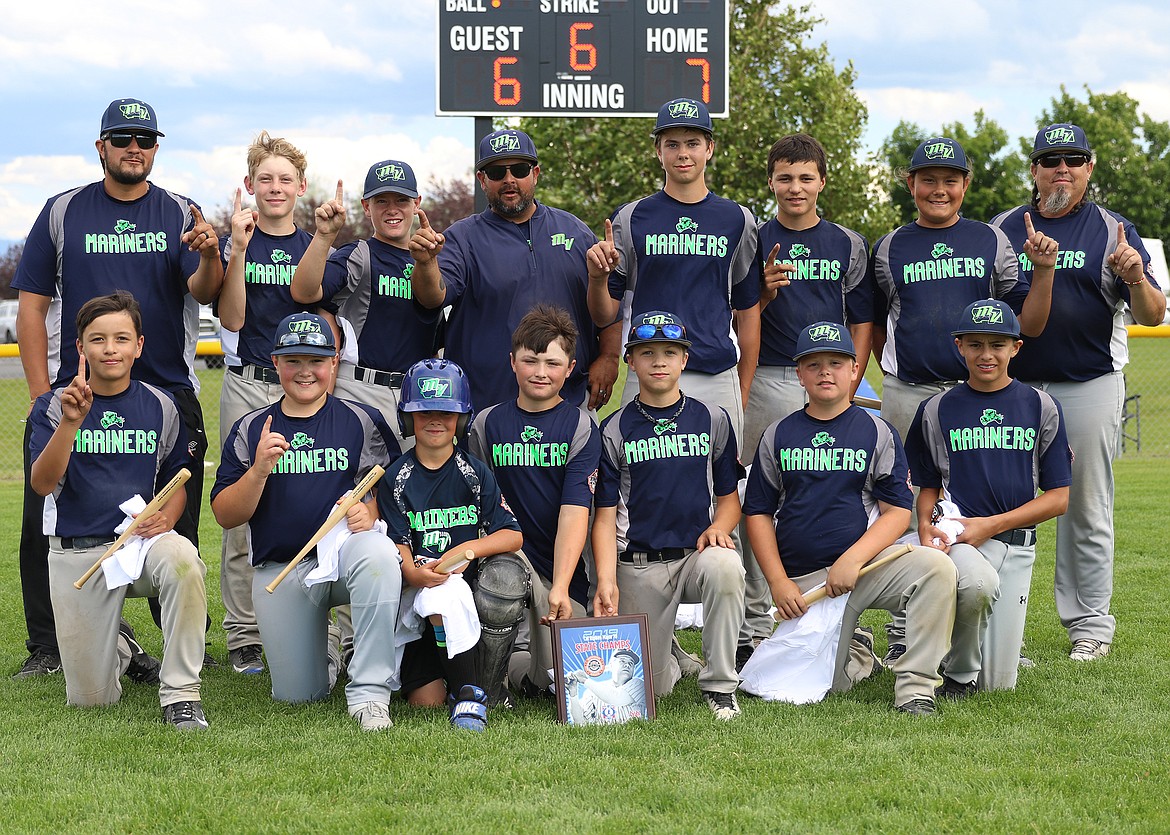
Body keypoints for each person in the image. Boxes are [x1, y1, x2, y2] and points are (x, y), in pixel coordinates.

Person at [12, 97, 222, 678]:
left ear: (157, 148)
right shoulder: (62, 211)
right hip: (77, 392)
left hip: (164, 391)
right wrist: (39, 394)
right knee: (48, 516)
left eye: (146, 139)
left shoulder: (181, 211)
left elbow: (206, 292)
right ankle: (48, 645)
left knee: (172, 523)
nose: (135, 147)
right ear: (100, 146)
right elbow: (33, 304)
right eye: (123, 137)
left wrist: (209, 255)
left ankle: (185, 638)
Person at [990, 123, 1166, 660]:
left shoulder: (1114, 229)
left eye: (1074, 159)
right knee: (1003, 505)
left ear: (1089, 168)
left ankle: (1089, 624)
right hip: (1012, 387)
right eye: (1050, 160)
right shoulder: (1003, 228)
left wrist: (1135, 277)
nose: (1061, 168)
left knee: (1086, 508)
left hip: (1089, 382)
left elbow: (1153, 314)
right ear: (1035, 170)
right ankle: (1000, 627)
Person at [743, 321, 956, 716]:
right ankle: (856, 648)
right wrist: (778, 582)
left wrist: (854, 559)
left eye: (837, 363)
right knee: (820, 686)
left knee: (936, 568)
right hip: (808, 584)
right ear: (800, 374)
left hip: (866, 569)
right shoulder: (777, 434)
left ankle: (916, 688)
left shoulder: (878, 432)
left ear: (855, 370)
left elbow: (896, 513)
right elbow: (757, 512)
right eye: (815, 364)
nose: (826, 371)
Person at [210, 313, 404, 731]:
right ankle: (328, 653)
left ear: (334, 363)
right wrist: (259, 469)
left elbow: (398, 489)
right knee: (299, 697)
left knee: (378, 555)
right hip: (283, 567)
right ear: (276, 363)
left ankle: (370, 693)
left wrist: (370, 510)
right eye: (293, 360)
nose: (305, 371)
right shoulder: (251, 427)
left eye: (316, 360)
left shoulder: (362, 420)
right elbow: (226, 514)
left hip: (345, 559)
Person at [28, 292, 209, 729]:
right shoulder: (53, 406)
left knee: (183, 558)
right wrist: (72, 422)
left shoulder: (161, 404)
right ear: (80, 348)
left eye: (121, 338)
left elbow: (176, 480)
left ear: (139, 346)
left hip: (141, 545)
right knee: (92, 701)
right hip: (78, 550)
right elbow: (42, 483)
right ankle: (123, 646)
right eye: (98, 339)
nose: (110, 349)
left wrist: (166, 516)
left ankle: (181, 694)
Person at [737, 133, 874, 668]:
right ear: (770, 181)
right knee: (761, 499)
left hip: (834, 377)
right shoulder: (752, 237)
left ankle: (845, 622)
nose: (795, 187)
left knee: (842, 495)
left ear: (822, 181)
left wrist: (855, 374)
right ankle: (755, 621)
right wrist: (764, 293)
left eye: (805, 177)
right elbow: (736, 314)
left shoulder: (846, 242)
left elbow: (863, 318)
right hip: (771, 374)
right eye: (785, 177)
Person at [905, 299, 1072, 692]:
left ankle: (964, 654)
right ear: (959, 345)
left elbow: (1059, 497)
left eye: (997, 344)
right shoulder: (936, 408)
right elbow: (928, 487)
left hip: (1015, 542)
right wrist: (926, 529)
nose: (986, 354)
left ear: (1016, 348)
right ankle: (958, 674)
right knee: (976, 586)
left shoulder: (1040, 405)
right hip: (960, 536)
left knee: (998, 685)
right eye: (975, 344)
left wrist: (992, 525)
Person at [593, 311, 746, 720]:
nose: (658, 361)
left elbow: (730, 499)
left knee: (726, 565)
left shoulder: (711, 419)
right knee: (649, 689)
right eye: (647, 352)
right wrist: (606, 580)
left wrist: (719, 527)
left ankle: (719, 686)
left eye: (669, 352)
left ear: (684, 359)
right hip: (639, 564)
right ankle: (673, 654)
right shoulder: (613, 428)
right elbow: (605, 518)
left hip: (696, 556)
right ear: (631, 361)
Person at [410, 128, 620, 413]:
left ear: (535, 173)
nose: (509, 180)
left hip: (568, 402)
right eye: (497, 173)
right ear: (482, 180)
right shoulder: (463, 237)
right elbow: (432, 297)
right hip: (488, 405)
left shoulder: (574, 230)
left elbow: (607, 306)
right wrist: (425, 264)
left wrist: (608, 355)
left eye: (519, 169)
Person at [586, 97, 761, 435]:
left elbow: (748, 309)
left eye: (693, 143)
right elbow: (604, 314)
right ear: (658, 150)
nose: (683, 153)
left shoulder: (737, 219)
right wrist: (597, 280)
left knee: (718, 486)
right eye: (673, 144)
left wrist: (742, 387)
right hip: (648, 372)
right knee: (640, 484)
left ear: (709, 148)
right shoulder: (632, 217)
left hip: (715, 375)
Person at [869, 136, 1057, 444]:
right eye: (928, 180)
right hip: (908, 393)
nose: (940, 190)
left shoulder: (991, 239)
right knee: (907, 489)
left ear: (965, 184)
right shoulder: (888, 247)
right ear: (911, 182)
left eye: (950, 180)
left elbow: (1030, 325)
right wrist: (900, 375)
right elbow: (877, 326)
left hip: (979, 391)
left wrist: (1044, 269)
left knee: (976, 487)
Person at [215, 131, 319, 676]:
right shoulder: (238, 239)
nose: (275, 187)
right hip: (250, 381)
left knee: (310, 499)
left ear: (300, 187)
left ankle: (316, 621)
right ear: (249, 185)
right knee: (242, 509)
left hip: (303, 385)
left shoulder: (312, 247)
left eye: (285, 179)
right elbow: (231, 318)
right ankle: (244, 633)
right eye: (265, 179)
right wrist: (235, 248)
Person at [379, 358, 526, 718]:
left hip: (468, 598)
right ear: (407, 417)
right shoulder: (396, 477)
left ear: (461, 420)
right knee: (424, 701)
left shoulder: (473, 472)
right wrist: (415, 574)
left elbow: (512, 535)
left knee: (450, 591)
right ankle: (466, 683)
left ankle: (469, 695)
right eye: (424, 411)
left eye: (447, 413)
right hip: (415, 598)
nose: (435, 421)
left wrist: (468, 548)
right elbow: (398, 541)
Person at [466, 305, 601, 699]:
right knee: (501, 579)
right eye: (530, 360)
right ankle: (491, 692)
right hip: (506, 555)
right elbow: (478, 508)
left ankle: (520, 666)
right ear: (512, 362)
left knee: (553, 680)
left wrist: (560, 587)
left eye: (552, 363)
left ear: (571, 367)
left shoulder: (579, 426)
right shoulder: (486, 424)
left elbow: (576, 513)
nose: (540, 372)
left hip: (559, 569)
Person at [291, 159, 443, 445]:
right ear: (366, 206)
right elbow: (305, 292)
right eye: (381, 200)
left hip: (416, 395)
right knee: (356, 489)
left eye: (402, 199)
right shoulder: (360, 254)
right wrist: (324, 235)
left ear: (417, 202)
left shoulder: (430, 260)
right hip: (362, 389)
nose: (392, 208)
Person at [566, 649, 648, 724]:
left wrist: (584, 680)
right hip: (603, 738)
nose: (627, 665)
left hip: (633, 735)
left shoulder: (638, 684)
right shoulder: (594, 691)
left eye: (631, 663)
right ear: (611, 665)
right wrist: (573, 694)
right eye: (622, 661)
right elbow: (580, 722)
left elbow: (616, 697)